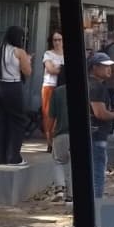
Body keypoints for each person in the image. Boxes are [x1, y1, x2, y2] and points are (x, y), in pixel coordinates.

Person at [88, 52, 114, 199]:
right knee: (97, 172)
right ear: (94, 67)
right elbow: (100, 113)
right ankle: (96, 202)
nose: (109, 70)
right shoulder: (96, 87)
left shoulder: (96, 85)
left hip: (96, 134)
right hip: (97, 134)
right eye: (105, 66)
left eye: (110, 66)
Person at [0, 25, 32, 166]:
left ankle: (0, 157)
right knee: (17, 122)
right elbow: (27, 72)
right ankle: (13, 157)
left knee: (0, 122)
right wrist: (28, 60)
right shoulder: (19, 52)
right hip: (13, 87)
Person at [48, 66, 72, 202]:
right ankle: (71, 196)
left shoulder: (57, 92)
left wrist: (50, 133)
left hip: (61, 133)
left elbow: (51, 116)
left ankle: (59, 189)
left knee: (58, 161)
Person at [41, 30, 64, 152]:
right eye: (55, 40)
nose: (57, 42)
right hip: (50, 85)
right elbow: (51, 70)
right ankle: (49, 142)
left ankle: (58, 141)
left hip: (62, 87)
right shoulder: (48, 54)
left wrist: (58, 67)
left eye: (59, 39)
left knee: (61, 115)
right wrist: (61, 68)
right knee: (48, 115)